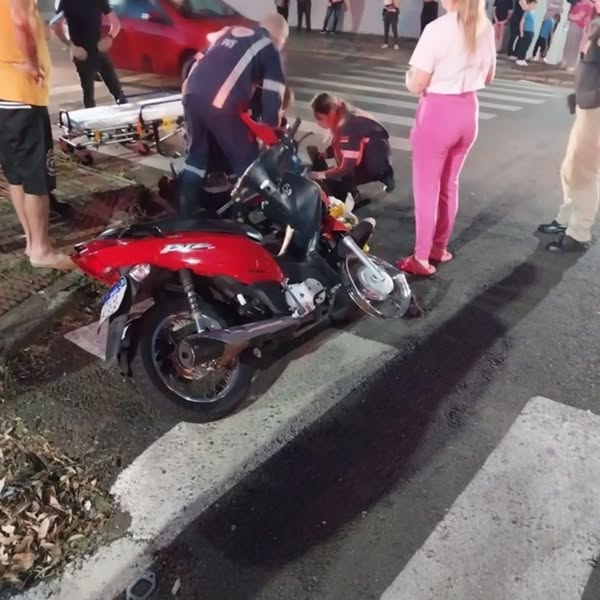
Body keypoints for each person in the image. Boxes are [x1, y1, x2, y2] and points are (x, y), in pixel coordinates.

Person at [398, 0, 496, 276]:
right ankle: (438, 248)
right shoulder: (485, 27)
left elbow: (417, 82)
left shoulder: (437, 29)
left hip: (438, 113)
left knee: (426, 190)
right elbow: (489, 76)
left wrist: (408, 79)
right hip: (468, 112)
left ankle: (421, 258)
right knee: (449, 186)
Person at [179, 15, 289, 217]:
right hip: (219, 102)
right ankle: (244, 216)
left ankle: (186, 213)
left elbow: (193, 63)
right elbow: (273, 93)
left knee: (196, 157)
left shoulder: (228, 33)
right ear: (280, 38)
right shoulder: (269, 47)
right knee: (246, 161)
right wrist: (271, 131)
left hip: (191, 93)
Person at [0, 0, 71, 268]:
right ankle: (41, 249)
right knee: (36, 178)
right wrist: (31, 62)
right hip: (22, 96)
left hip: (3, 95)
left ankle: (32, 243)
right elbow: (19, 20)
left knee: (16, 176)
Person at [538, 3, 600, 253]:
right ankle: (567, 219)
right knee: (571, 167)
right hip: (588, 105)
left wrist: (593, 96)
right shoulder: (596, 21)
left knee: (584, 171)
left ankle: (579, 233)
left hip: (596, 109)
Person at [307, 93, 395, 203]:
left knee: (340, 175)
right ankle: (385, 173)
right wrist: (327, 154)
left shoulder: (347, 127)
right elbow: (341, 144)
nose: (318, 123)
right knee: (338, 167)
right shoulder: (344, 113)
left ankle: (352, 194)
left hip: (376, 161)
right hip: (380, 154)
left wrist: (321, 175)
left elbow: (347, 167)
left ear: (330, 113)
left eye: (320, 118)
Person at [50, 0, 127, 108]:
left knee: (118, 91)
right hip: (82, 54)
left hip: (98, 50)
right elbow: (55, 25)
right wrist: (72, 46)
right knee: (88, 95)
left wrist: (110, 37)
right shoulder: (66, 2)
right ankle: (90, 116)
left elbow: (115, 23)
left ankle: (125, 109)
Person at [561, 0, 595, 70]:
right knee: (568, 43)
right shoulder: (579, 3)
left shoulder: (589, 4)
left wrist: (587, 28)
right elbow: (571, 14)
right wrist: (573, 16)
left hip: (579, 26)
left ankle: (571, 64)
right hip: (573, 24)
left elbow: (584, 16)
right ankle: (565, 60)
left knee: (574, 45)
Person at [515, 0, 538, 66]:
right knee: (522, 46)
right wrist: (521, 32)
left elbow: (533, 24)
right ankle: (519, 58)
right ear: (529, 4)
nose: (534, 6)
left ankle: (523, 58)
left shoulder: (533, 13)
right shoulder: (527, 12)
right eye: (532, 4)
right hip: (526, 31)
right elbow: (522, 23)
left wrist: (533, 32)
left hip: (531, 32)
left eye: (535, 5)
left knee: (526, 46)